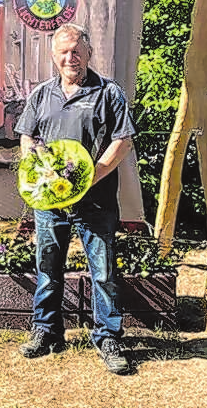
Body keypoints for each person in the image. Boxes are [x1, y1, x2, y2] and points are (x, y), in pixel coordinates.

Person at [15, 23, 136, 374]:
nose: (71, 58)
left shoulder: (108, 92)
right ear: (54, 56)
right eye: (64, 52)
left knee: (102, 272)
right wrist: (38, 166)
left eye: (77, 52)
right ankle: (46, 331)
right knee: (48, 269)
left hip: (95, 202)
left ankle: (109, 337)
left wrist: (88, 178)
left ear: (88, 54)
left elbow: (122, 141)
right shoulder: (42, 94)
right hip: (51, 202)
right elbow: (27, 135)